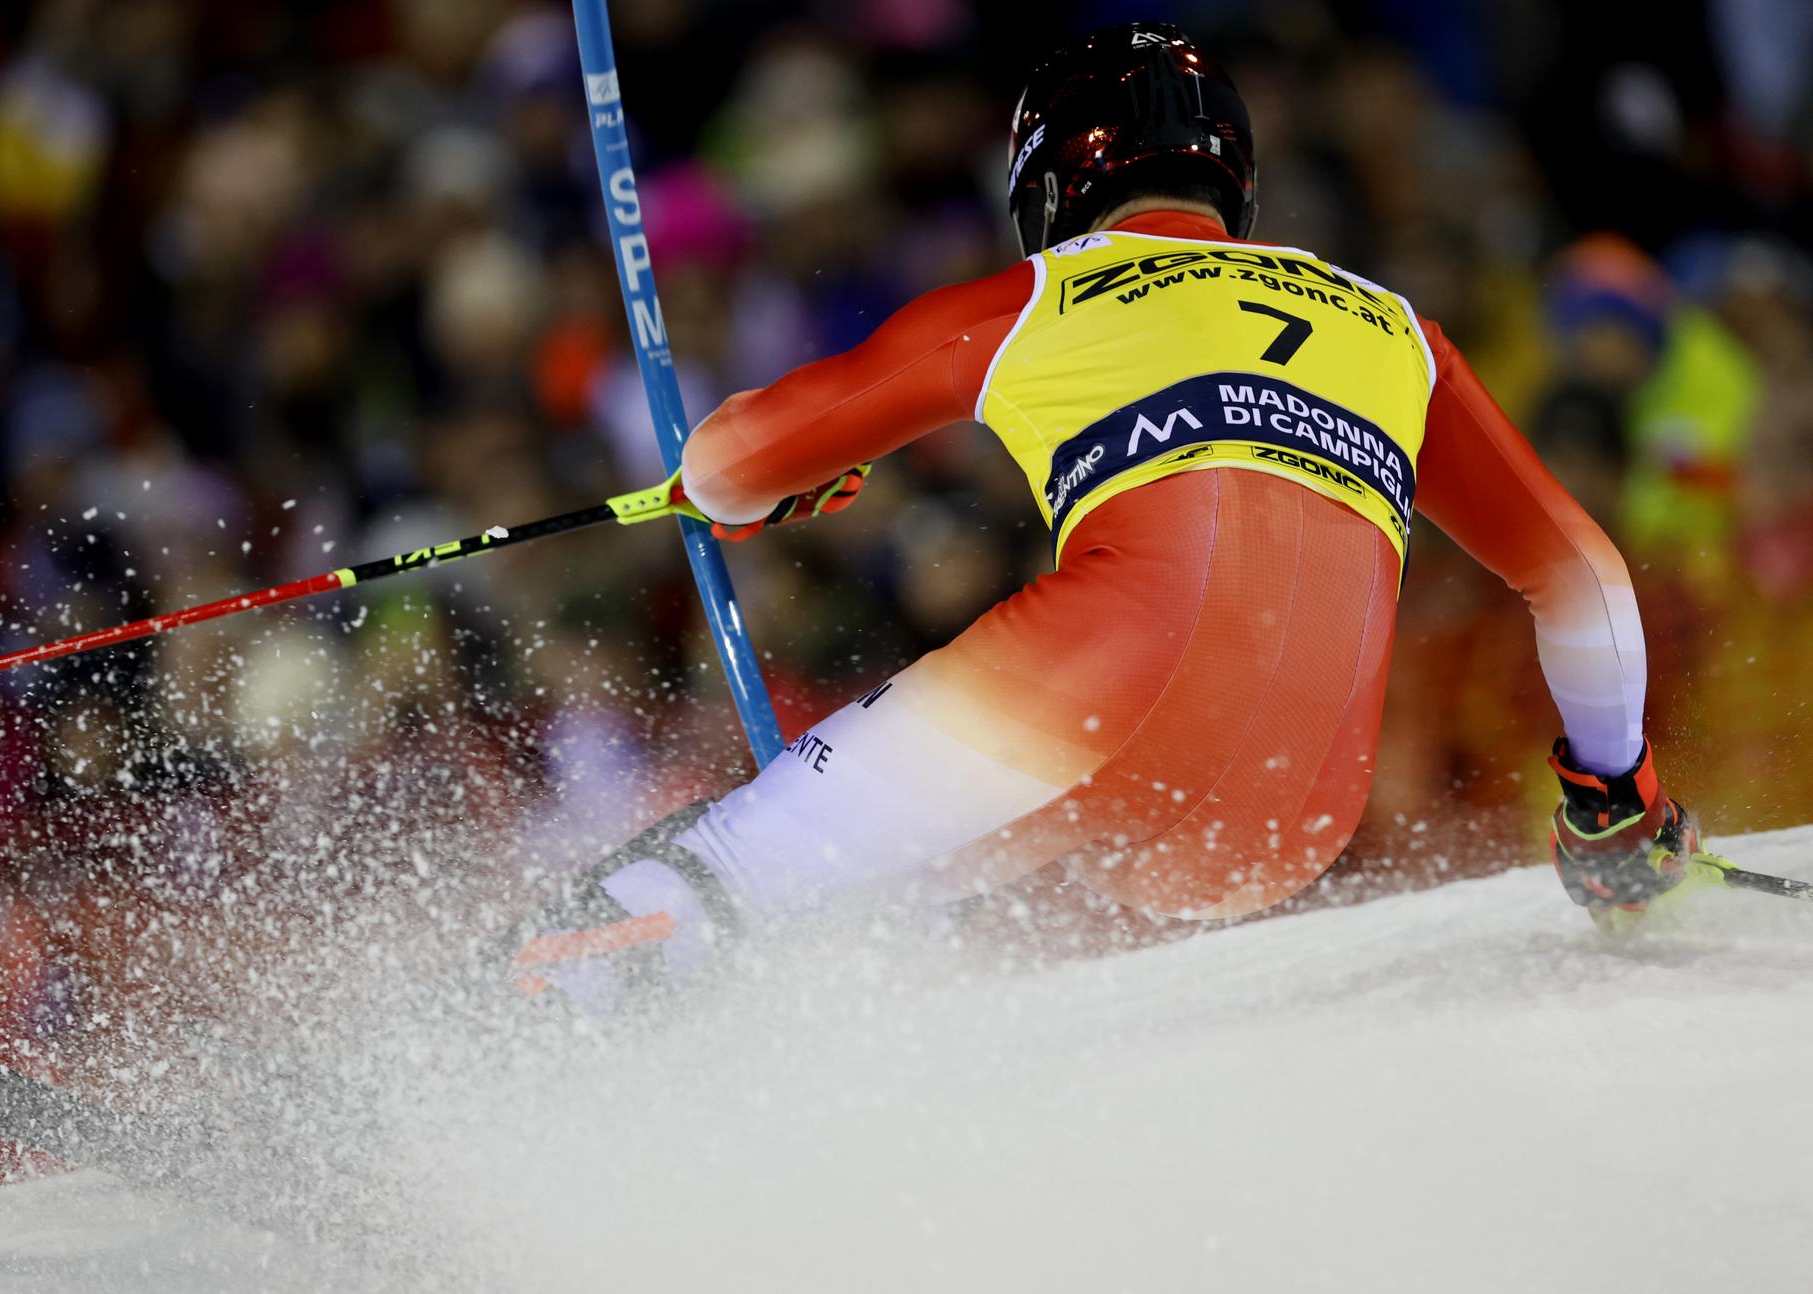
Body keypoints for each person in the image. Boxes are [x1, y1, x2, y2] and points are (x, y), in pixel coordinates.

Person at [509, 22, 1698, 1009]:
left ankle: (465, 1067)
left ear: (1050, 180)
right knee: (896, 952)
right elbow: (1581, 578)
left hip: (1092, 695)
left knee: (722, 881)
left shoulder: (1047, 292)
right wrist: (1614, 806)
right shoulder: (1393, 330)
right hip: (1296, 813)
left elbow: (730, 462)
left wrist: (753, 487)